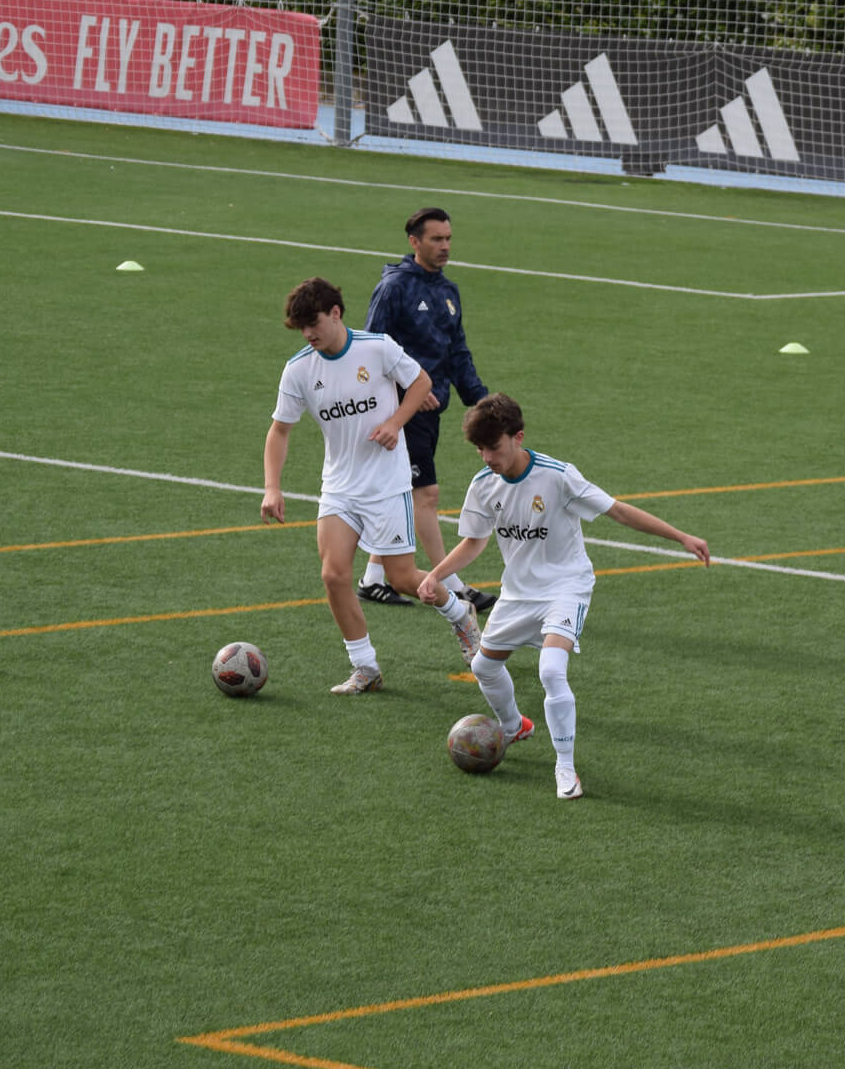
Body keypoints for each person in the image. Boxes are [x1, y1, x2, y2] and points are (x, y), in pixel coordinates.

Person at [420, 393, 710, 800]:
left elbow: (617, 510)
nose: (487, 457)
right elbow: (474, 542)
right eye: (480, 449)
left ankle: (565, 769)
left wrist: (681, 537)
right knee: (484, 666)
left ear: (518, 437)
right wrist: (436, 575)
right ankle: (513, 726)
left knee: (551, 670)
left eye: (494, 447)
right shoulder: (483, 485)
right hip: (519, 593)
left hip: (565, 586)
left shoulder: (557, 477)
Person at [261, 277, 485, 693]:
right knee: (333, 576)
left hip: (387, 485)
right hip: (339, 488)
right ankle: (365, 667)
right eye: (301, 328)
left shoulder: (377, 347)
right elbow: (280, 430)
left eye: (313, 323)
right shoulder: (299, 370)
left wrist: (395, 423)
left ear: (335, 313)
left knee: (402, 579)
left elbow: (421, 382)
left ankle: (460, 614)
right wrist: (272, 487)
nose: (308, 334)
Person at [356, 207, 495, 617]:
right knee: (425, 494)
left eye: (448, 238)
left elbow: (458, 351)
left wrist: (481, 400)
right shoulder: (394, 288)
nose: (445, 246)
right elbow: (372, 347)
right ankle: (451, 584)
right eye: (436, 239)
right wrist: (411, 386)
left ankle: (373, 579)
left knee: (400, 492)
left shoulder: (448, 292)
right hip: (401, 411)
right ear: (414, 242)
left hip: (430, 412)